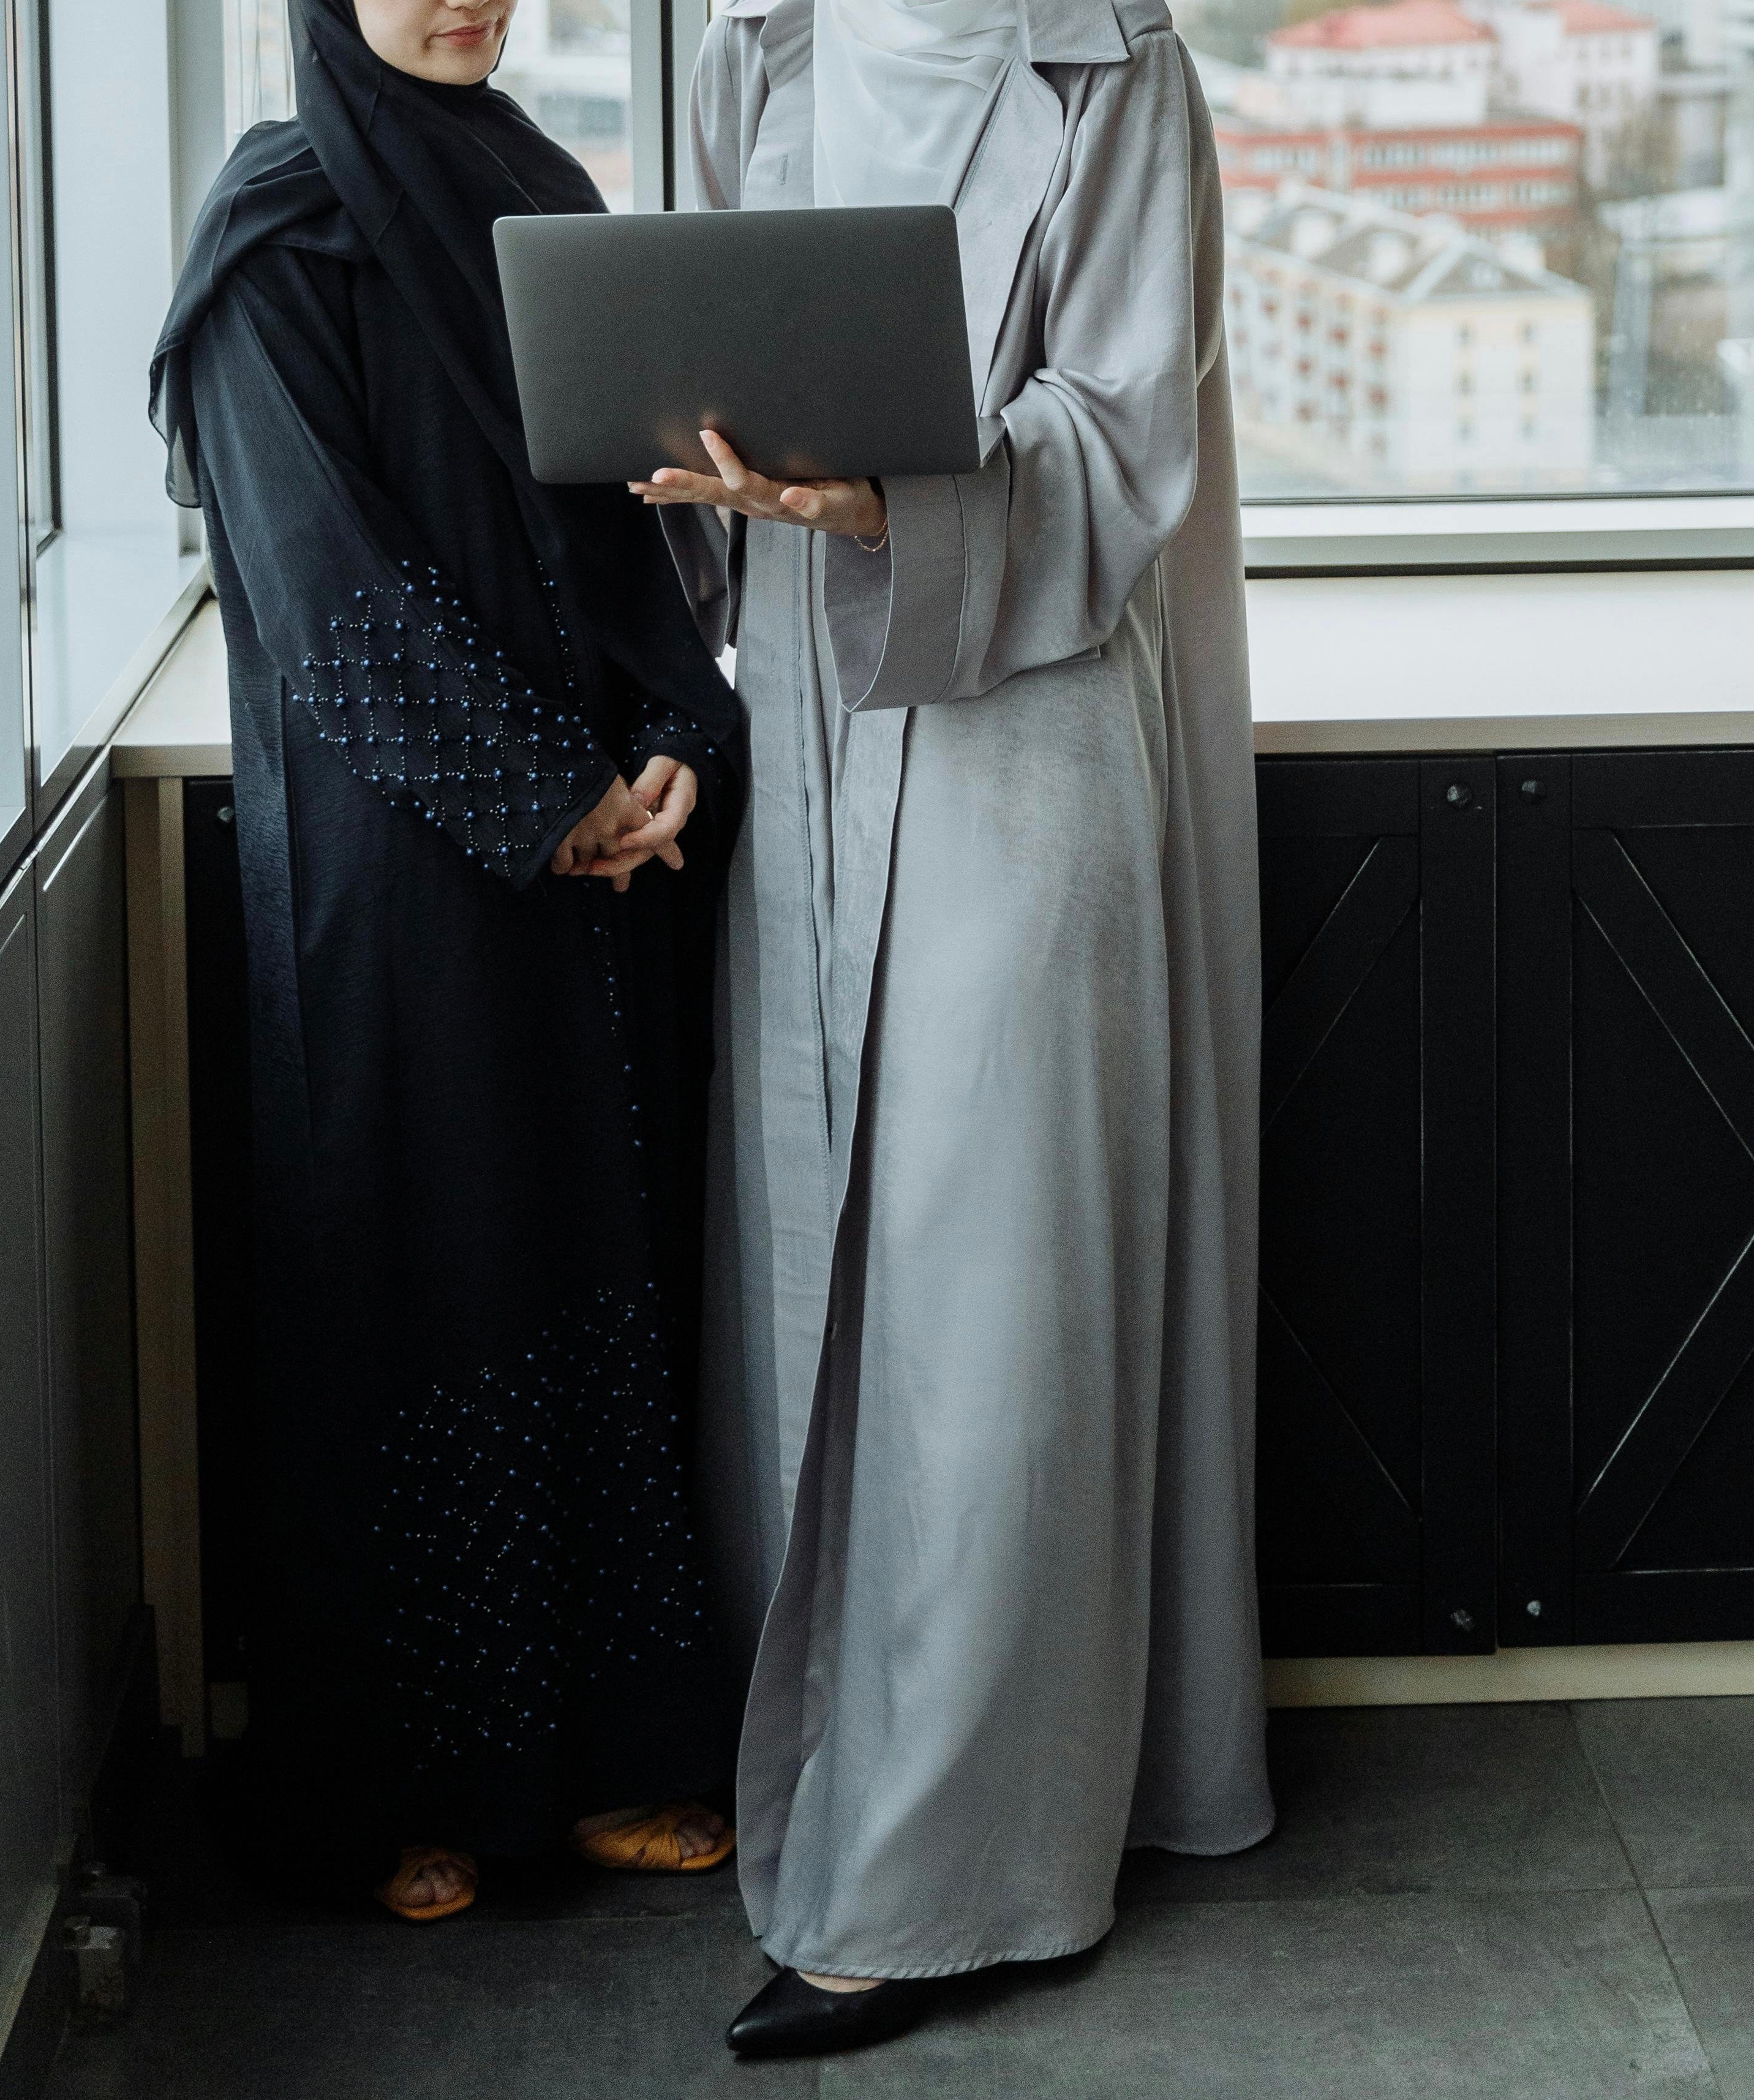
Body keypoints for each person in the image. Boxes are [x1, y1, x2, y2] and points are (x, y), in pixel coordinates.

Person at [634, 0, 1276, 2056]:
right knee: (827, 1270)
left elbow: (1122, 438)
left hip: (1031, 729)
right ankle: (837, 1776)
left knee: (993, 1303)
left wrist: (898, 506)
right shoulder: (761, 41)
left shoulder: (1122, 68)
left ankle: (957, 1879)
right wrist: (705, 464)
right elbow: (695, 334)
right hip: (813, 743)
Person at [148, 0, 743, 1923]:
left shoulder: (544, 192)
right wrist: (543, 795)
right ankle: (407, 1782)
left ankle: (604, 1764)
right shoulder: (277, 228)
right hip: (403, 870)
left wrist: (673, 736)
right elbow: (324, 586)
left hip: (597, 864)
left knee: (594, 1286)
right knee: (419, 1286)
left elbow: (633, 516)